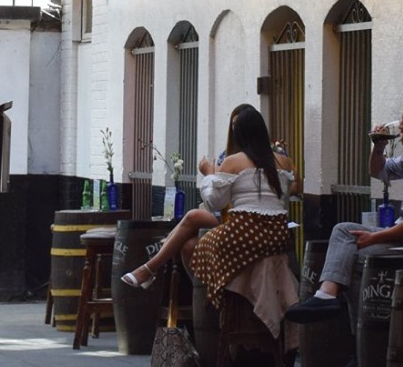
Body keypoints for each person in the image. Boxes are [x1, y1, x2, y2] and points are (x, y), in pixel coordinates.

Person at [290, 94, 403, 313]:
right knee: (342, 230)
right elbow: (378, 171)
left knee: (360, 256)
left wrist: (375, 237)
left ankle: (359, 321)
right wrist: (379, 146)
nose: (400, 126)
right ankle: (326, 295)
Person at [120, 104, 294, 290]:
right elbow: (290, 189)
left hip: (244, 232)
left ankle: (206, 290)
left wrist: (209, 174)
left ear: (239, 133)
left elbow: (213, 203)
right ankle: (159, 272)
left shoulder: (232, 160)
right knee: (189, 245)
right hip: (277, 234)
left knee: (198, 240)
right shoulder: (284, 161)